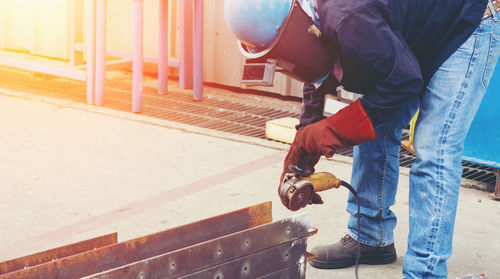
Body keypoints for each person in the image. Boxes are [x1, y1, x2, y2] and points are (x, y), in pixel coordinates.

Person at [225, 0, 500, 278]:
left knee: (434, 149)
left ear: (294, 24)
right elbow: (316, 74)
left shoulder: (346, 15)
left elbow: (403, 82)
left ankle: (425, 271)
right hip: (420, 26)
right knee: (373, 122)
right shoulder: (315, 16)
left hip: (467, 24)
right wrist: (305, 137)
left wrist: (333, 131)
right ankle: (370, 237)